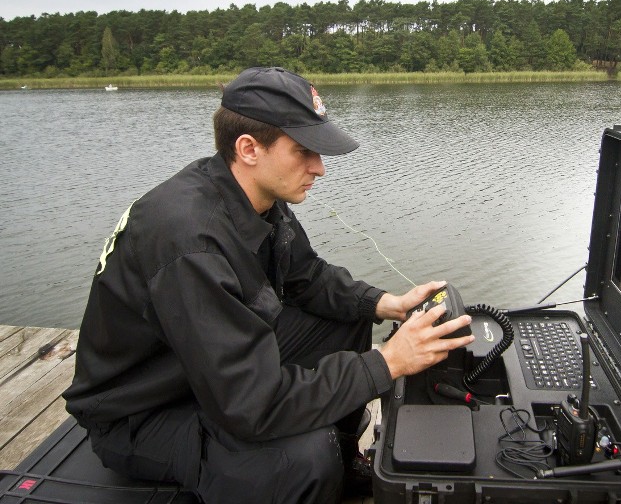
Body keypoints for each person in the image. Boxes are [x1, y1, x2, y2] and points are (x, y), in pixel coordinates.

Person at [62, 67, 475, 503]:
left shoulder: (247, 193)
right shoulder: (189, 239)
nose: (319, 168)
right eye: (304, 151)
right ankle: (315, 472)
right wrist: (387, 363)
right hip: (144, 411)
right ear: (249, 148)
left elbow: (308, 276)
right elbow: (251, 403)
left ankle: (342, 460)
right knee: (303, 458)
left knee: (346, 321)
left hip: (203, 365)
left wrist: (385, 304)